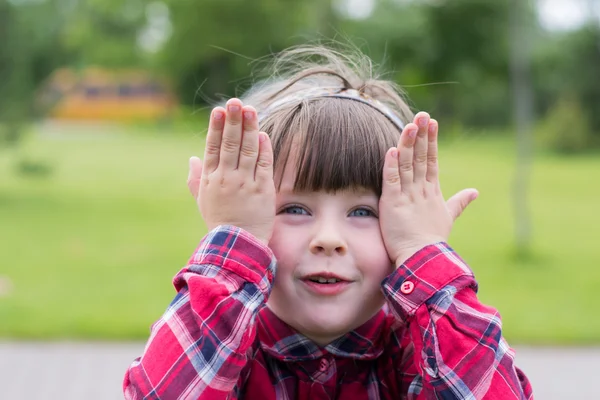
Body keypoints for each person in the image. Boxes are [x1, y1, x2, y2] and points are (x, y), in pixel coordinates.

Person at [123, 45, 533, 399]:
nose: (329, 240)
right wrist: (233, 238)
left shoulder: (419, 352)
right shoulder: (219, 345)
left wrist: (423, 253)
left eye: (362, 213)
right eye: (296, 210)